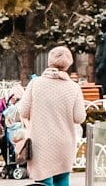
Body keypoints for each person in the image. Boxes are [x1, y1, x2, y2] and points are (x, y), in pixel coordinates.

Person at [18, 46, 87, 186]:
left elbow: (23, 111)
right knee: (62, 180)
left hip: (40, 143)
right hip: (64, 143)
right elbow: (79, 117)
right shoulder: (73, 87)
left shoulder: (35, 84)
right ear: (68, 64)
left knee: (43, 182)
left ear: (49, 61)